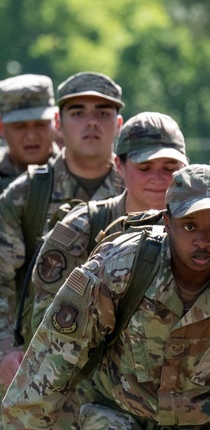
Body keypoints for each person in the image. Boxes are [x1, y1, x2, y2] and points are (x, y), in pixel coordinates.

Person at [1, 164, 210, 430]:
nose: (203, 240)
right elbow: (52, 356)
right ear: (168, 223)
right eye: (190, 226)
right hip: (121, 415)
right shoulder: (118, 268)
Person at [0, 71, 125, 390]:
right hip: (39, 371)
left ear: (119, 124)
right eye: (78, 112)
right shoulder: (25, 195)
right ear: (58, 122)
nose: (91, 122)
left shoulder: (139, 188)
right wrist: (5, 349)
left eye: (103, 112)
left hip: (121, 375)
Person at [29, 111, 189, 336]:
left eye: (170, 167)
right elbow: (45, 327)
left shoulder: (203, 231)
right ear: (119, 165)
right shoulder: (82, 228)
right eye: (145, 167)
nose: (159, 177)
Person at [0, 75, 60, 193]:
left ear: (56, 121)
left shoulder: (81, 171)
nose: (31, 136)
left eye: (41, 124)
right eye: (19, 126)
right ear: (1, 128)